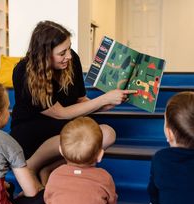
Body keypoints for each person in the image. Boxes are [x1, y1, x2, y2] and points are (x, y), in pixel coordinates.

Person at [10, 20, 135, 184]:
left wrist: (106, 105)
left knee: (108, 134)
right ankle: (32, 167)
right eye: (62, 53)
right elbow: (60, 113)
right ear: (44, 55)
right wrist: (102, 99)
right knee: (74, 132)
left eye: (69, 48)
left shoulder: (71, 59)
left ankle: (49, 168)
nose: (69, 55)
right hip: (32, 131)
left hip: (65, 125)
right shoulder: (23, 71)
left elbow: (80, 101)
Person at [37, 116, 117, 204]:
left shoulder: (55, 174)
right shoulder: (105, 177)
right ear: (100, 155)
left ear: (61, 151)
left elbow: (47, 199)